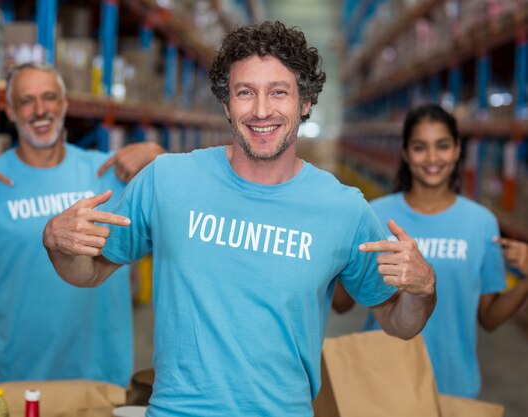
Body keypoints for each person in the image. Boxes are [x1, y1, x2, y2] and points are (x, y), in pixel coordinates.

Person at [43, 22, 436, 417]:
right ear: (226, 104)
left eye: (278, 92)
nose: (261, 110)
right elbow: (88, 272)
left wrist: (423, 290)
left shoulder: (344, 209)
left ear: (305, 102)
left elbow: (398, 323)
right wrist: (56, 243)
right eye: (245, 93)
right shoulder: (167, 180)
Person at [0, 62, 164, 384]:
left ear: (65, 105)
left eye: (49, 97)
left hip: (100, 383)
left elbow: (184, 211)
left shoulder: (109, 172)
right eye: (26, 101)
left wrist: (159, 156)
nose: (40, 110)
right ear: (10, 111)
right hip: (13, 384)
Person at [332, 103, 528, 399]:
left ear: (458, 150)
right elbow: (342, 304)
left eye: (443, 146)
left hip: (452, 385)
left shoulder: (481, 223)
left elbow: (488, 317)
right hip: (382, 381)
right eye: (420, 147)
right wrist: (328, 254)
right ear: (406, 153)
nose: (433, 157)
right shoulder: (376, 214)